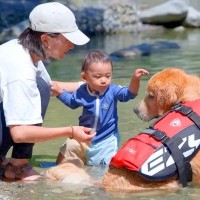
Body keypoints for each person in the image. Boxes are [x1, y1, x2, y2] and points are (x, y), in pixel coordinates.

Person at [0, 2, 96, 181]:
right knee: (41, 89)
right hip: (17, 130)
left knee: (43, 86)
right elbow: (20, 133)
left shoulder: (22, 49)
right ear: (45, 39)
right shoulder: (21, 70)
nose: (72, 46)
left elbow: (52, 86)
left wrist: (99, 86)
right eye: (68, 39)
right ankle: (18, 167)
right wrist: (70, 131)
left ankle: (14, 165)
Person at [51, 50, 149, 166]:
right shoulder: (83, 91)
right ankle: (58, 170)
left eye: (108, 76)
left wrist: (135, 79)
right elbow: (72, 102)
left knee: (101, 169)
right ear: (84, 77)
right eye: (98, 76)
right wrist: (59, 92)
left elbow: (129, 94)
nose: (103, 80)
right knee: (67, 149)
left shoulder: (112, 90)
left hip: (106, 139)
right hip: (84, 135)